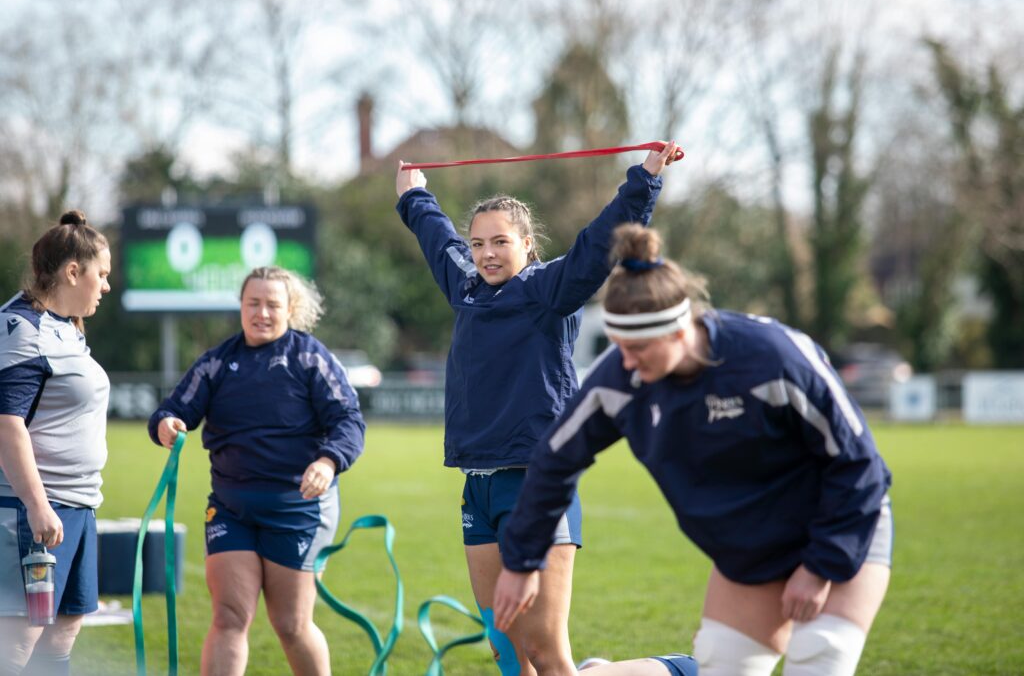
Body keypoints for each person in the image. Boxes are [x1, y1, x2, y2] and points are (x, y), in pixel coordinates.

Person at [493, 225, 893, 676]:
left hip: (837, 523)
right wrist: (524, 563)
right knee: (724, 664)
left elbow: (860, 465)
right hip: (751, 547)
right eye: (619, 347)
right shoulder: (621, 379)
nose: (626, 363)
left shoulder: (772, 357)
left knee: (819, 655)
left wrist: (820, 567)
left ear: (680, 332)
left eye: (639, 348)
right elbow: (554, 462)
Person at [395, 142, 681, 676]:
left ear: (527, 244)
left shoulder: (549, 288)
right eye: (479, 243)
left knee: (549, 657)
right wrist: (414, 197)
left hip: (536, 484)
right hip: (477, 487)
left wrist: (646, 179)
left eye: (501, 242)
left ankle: (674, 668)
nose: (487, 253)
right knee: (509, 656)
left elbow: (601, 241)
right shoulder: (467, 288)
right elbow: (438, 240)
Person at [148, 266, 366, 676]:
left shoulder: (310, 357)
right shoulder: (217, 362)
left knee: (290, 623)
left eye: (272, 304)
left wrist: (327, 460)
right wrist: (166, 423)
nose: (261, 313)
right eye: (253, 303)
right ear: (241, 306)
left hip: (299, 509)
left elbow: (349, 420)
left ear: (291, 309)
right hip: (231, 510)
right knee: (229, 617)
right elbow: (175, 408)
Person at [0, 210, 112, 676]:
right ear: (72, 271)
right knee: (15, 644)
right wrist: (36, 504)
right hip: (37, 510)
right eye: (101, 274)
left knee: (63, 630)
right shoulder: (23, 330)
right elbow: (7, 424)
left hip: (78, 507)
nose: (105, 286)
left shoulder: (64, 325)